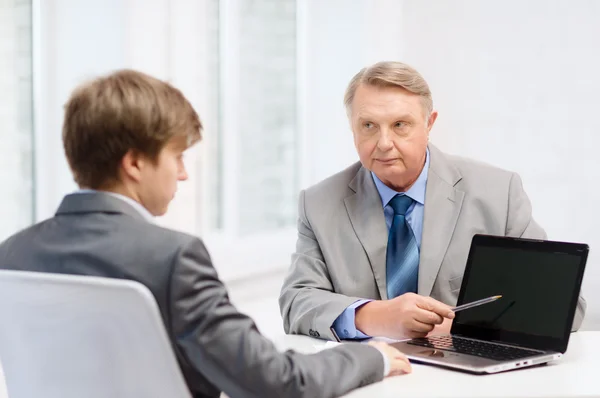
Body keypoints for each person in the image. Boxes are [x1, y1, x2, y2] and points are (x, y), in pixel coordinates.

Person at [0, 70, 411, 398]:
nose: (182, 172)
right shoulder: (172, 258)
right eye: (176, 156)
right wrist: (367, 358)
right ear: (135, 164)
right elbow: (276, 382)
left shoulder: (12, 255)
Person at [279, 61, 586, 342]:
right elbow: (297, 301)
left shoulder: (497, 192)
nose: (384, 143)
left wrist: (464, 325)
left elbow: (565, 306)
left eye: (400, 125)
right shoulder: (319, 204)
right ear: (352, 128)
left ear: (429, 124)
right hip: (370, 375)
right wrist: (373, 316)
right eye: (368, 126)